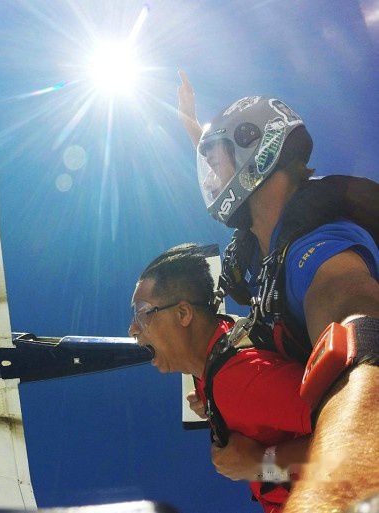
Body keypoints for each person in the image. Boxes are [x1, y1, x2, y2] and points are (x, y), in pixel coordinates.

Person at [177, 71, 379, 512]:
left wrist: (260, 464)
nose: (210, 179)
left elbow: (363, 357)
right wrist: (191, 124)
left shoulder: (320, 255)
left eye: (216, 161)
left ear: (254, 150)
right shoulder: (261, 251)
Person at [129, 243, 311, 513]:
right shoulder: (219, 348)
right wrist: (214, 404)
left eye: (143, 314)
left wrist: (261, 465)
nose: (133, 329)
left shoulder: (242, 381)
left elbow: (362, 437)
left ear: (183, 313)